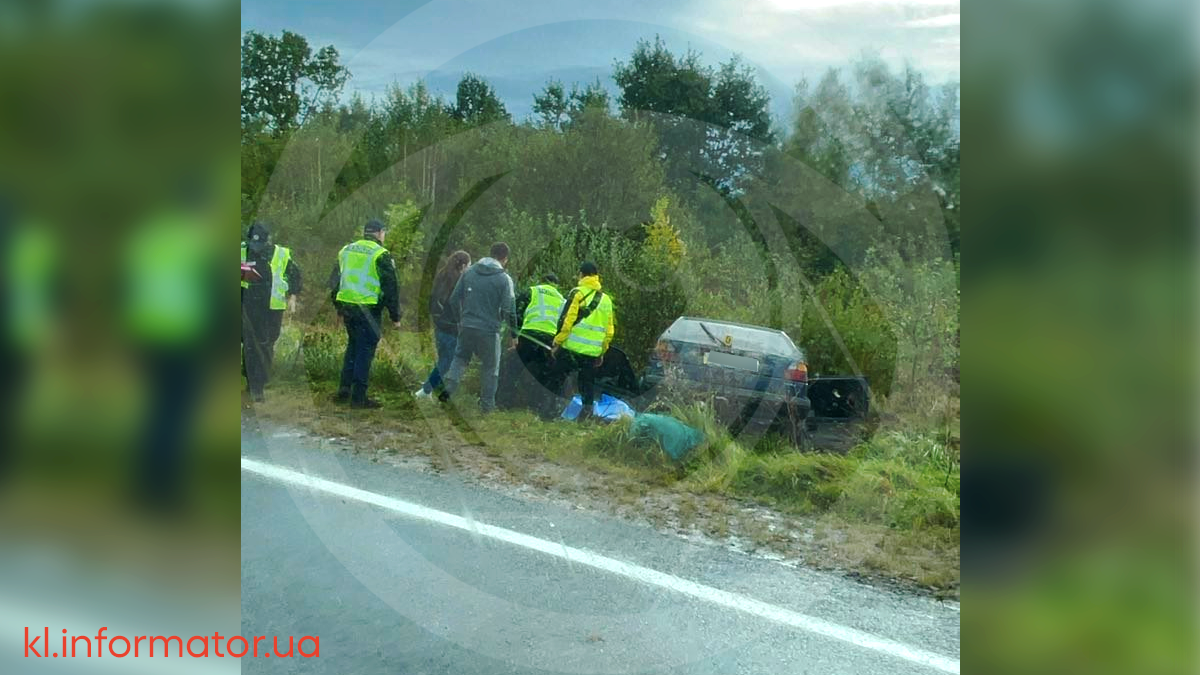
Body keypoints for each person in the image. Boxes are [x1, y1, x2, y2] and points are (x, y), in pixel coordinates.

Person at [328, 219, 400, 409]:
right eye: (384, 232)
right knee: (365, 351)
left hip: (348, 307)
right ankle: (359, 397)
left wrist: (338, 306)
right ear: (379, 233)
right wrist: (395, 316)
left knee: (353, 347)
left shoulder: (346, 250)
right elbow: (391, 287)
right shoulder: (381, 254)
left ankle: (344, 389)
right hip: (369, 309)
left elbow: (334, 280)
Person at [437, 242, 517, 413]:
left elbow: (453, 299)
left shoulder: (470, 272)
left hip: (466, 326)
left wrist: (461, 319)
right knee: (490, 367)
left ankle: (447, 392)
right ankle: (487, 407)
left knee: (460, 358)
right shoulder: (504, 279)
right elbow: (508, 310)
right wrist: (513, 334)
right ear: (505, 259)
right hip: (489, 330)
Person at [241, 221, 301, 402]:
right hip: (247, 305)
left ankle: (257, 378)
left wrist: (293, 297)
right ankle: (256, 386)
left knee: (267, 342)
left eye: (259, 244)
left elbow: (295, 275)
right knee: (253, 344)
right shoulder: (241, 251)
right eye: (253, 243)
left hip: (272, 307)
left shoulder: (281, 254)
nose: (256, 248)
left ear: (268, 241)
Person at [550, 261, 616, 422]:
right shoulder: (606, 300)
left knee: (556, 377)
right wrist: (602, 351)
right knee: (587, 384)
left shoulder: (577, 293)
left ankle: (552, 411)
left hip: (571, 348)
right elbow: (609, 331)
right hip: (592, 352)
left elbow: (567, 321)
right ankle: (586, 416)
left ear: (581, 274)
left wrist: (557, 342)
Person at [414, 250, 470, 399]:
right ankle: (426, 390)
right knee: (448, 361)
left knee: (443, 358)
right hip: (452, 326)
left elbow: (432, 299)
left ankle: (434, 388)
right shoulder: (459, 281)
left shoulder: (442, 276)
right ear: (463, 265)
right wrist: (460, 321)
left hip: (439, 325)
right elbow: (458, 304)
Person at [512, 272, 565, 416]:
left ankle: (505, 402)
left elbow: (516, 312)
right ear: (556, 285)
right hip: (549, 340)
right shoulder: (562, 299)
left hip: (529, 335)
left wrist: (514, 335)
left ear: (541, 281)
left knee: (513, 368)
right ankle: (540, 408)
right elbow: (565, 323)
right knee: (544, 375)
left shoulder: (532, 291)